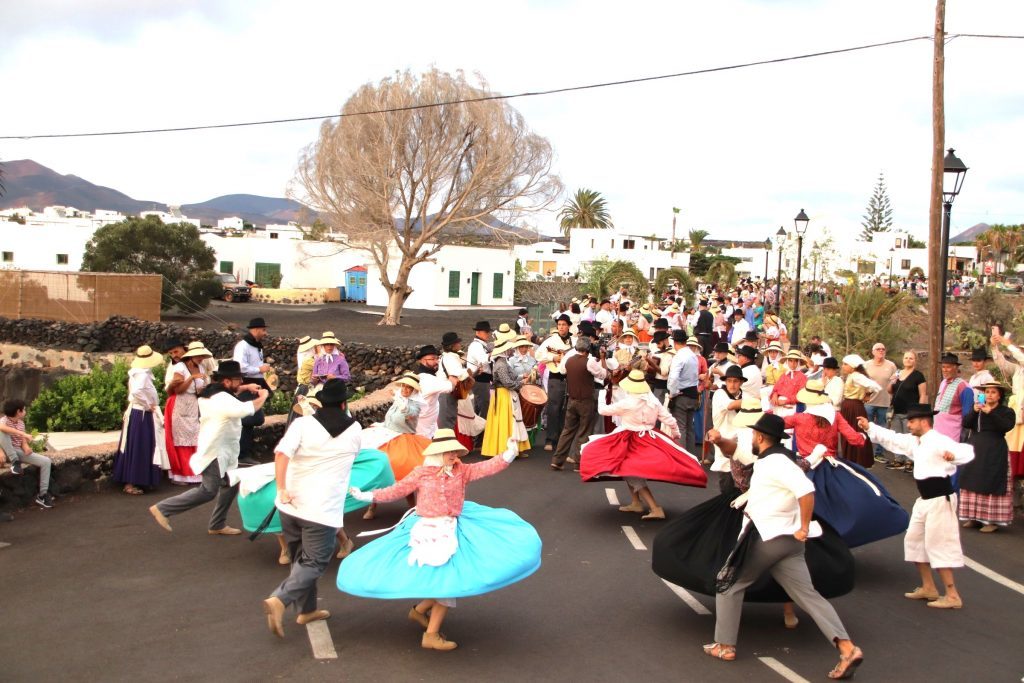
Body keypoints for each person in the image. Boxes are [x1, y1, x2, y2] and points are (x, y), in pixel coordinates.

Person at [341, 432, 541, 651]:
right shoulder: (422, 473)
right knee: (446, 580)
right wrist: (368, 496)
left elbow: (485, 468)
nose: (454, 455)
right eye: (449, 452)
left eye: (455, 451)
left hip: (452, 526)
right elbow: (396, 491)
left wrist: (509, 453)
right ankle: (431, 635)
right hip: (427, 529)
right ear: (437, 453)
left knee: (445, 577)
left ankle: (419, 611)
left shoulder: (461, 470)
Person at [701, 414, 864, 680]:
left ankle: (725, 645)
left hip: (769, 536)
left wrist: (804, 525)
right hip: (789, 543)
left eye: (754, 434)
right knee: (808, 596)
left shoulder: (775, 462)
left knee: (729, 582)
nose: (751, 438)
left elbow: (806, 490)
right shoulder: (777, 459)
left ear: (762, 437)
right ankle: (847, 649)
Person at [262, 379, 361, 638]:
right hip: (322, 510)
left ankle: (306, 610)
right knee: (315, 562)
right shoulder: (355, 429)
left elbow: (281, 454)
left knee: (299, 560)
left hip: (290, 504)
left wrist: (281, 488)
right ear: (343, 404)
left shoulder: (303, 424)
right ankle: (280, 599)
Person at [859, 404, 975, 609]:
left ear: (923, 421)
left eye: (912, 421)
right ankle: (929, 587)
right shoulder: (916, 442)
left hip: (941, 499)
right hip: (925, 499)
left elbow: (965, 451)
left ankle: (952, 595)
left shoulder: (938, 440)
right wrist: (869, 427)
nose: (909, 425)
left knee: (939, 545)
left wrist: (953, 456)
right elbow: (892, 438)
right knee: (914, 541)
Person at [149, 360, 268, 535]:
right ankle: (163, 508)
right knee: (208, 490)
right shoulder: (221, 398)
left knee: (231, 482)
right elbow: (244, 410)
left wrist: (245, 387)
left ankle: (217, 524)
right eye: (238, 380)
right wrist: (263, 396)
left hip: (224, 450)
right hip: (215, 451)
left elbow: (230, 393)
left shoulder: (214, 392)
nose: (240, 383)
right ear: (227, 381)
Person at [580, 369, 706, 519]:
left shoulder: (628, 402)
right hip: (649, 438)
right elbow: (669, 419)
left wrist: (601, 395)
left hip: (629, 440)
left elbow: (602, 410)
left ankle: (655, 508)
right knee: (627, 469)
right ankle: (636, 502)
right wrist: (676, 435)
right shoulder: (653, 400)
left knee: (631, 472)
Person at [958, 382, 1015, 532]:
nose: (989, 395)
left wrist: (991, 412)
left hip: (995, 450)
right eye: (987, 392)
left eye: (993, 392)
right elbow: (966, 423)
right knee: (973, 479)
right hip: (976, 447)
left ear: (999, 396)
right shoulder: (978, 409)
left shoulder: (1006, 411)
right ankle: (974, 517)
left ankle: (991, 521)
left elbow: (1006, 426)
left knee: (992, 481)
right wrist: (974, 412)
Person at [113, 345, 167, 495]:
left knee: (141, 445)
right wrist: (147, 404)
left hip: (140, 412)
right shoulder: (141, 374)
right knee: (139, 446)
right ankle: (132, 482)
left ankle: (140, 479)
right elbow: (137, 392)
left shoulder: (139, 373)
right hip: (140, 412)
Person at [551, 337, 610, 471]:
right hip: (586, 401)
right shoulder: (589, 362)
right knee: (584, 432)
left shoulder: (569, 360)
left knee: (567, 431)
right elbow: (603, 375)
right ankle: (578, 463)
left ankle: (557, 460)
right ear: (588, 349)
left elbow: (562, 371)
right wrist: (602, 359)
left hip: (571, 399)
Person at [164, 342, 212, 485]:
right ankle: (181, 474)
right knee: (182, 439)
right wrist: (191, 378)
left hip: (194, 404)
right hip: (180, 403)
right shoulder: (180, 367)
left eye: (202, 356)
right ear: (191, 356)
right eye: (198, 356)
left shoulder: (201, 367)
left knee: (195, 437)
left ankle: (195, 471)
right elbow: (178, 390)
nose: (200, 358)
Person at [482, 336, 531, 457]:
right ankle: (506, 449)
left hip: (504, 394)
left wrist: (521, 377)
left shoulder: (503, 362)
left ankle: (512, 449)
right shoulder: (501, 364)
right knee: (508, 421)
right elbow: (507, 382)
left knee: (510, 421)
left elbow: (512, 376)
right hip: (503, 395)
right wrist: (521, 384)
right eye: (508, 349)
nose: (510, 351)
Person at [0, 399, 54, 508]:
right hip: (5, 451)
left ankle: (42, 495)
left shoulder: (21, 424)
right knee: (3, 432)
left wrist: (26, 447)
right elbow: (2, 429)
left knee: (46, 461)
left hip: (16, 451)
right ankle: (15, 462)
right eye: (24, 409)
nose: (25, 411)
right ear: (18, 412)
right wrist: (23, 434)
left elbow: (22, 442)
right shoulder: (3, 421)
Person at [234, 318, 272, 466]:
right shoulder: (243, 346)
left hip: (255, 383)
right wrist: (259, 369)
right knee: (247, 420)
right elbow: (240, 367)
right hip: (246, 383)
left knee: (253, 419)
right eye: (263, 330)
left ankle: (246, 451)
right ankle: (242, 454)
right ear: (255, 330)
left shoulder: (256, 346)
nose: (265, 333)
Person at [991, 331, 1024, 501]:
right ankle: (1015, 499)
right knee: (1013, 456)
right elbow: (1002, 364)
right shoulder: (1019, 369)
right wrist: (995, 347)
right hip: (1017, 413)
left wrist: (1007, 343)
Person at [535, 316, 573, 451]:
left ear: (569, 326)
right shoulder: (550, 341)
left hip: (570, 378)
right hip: (555, 376)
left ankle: (563, 440)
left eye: (564, 324)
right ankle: (550, 439)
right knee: (553, 408)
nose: (561, 327)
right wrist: (553, 357)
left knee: (566, 410)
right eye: (559, 324)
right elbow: (538, 355)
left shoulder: (573, 341)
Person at [837, 354, 882, 468]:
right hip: (850, 406)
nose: (843, 366)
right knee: (850, 430)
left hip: (853, 407)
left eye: (845, 364)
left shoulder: (856, 376)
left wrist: (867, 393)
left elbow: (875, 386)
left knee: (853, 430)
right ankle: (852, 458)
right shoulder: (853, 375)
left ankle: (856, 459)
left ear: (852, 366)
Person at [888, 350, 928, 471]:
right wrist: (892, 381)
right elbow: (890, 390)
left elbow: (923, 394)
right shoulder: (898, 373)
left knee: (910, 436)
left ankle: (910, 460)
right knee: (897, 436)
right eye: (906, 358)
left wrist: (919, 412)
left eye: (911, 358)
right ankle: (898, 459)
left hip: (910, 412)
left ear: (915, 360)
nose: (908, 360)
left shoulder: (918, 375)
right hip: (896, 411)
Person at [412, 345, 458, 438]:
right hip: (423, 431)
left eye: (437, 358)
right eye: (432, 359)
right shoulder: (428, 379)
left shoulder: (416, 375)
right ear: (423, 360)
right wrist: (453, 375)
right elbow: (451, 386)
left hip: (420, 427)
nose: (436, 362)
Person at [863, 342, 898, 464]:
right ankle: (866, 452)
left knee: (882, 428)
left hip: (884, 402)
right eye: (878, 349)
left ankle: (879, 453)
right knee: (866, 427)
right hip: (869, 402)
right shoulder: (866, 365)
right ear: (873, 352)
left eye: (883, 349)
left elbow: (895, 382)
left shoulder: (891, 366)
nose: (881, 351)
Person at [667, 330, 699, 452]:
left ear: (675, 342)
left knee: (681, 428)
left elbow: (674, 377)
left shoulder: (679, 356)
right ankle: (691, 456)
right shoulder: (693, 356)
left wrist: (672, 393)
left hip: (681, 394)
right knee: (689, 427)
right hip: (692, 394)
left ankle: (683, 457)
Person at [934, 353, 974, 444]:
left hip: (952, 433)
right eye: (943, 367)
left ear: (956, 368)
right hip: (938, 430)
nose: (945, 370)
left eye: (948, 367)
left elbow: (967, 416)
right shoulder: (943, 382)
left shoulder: (964, 387)